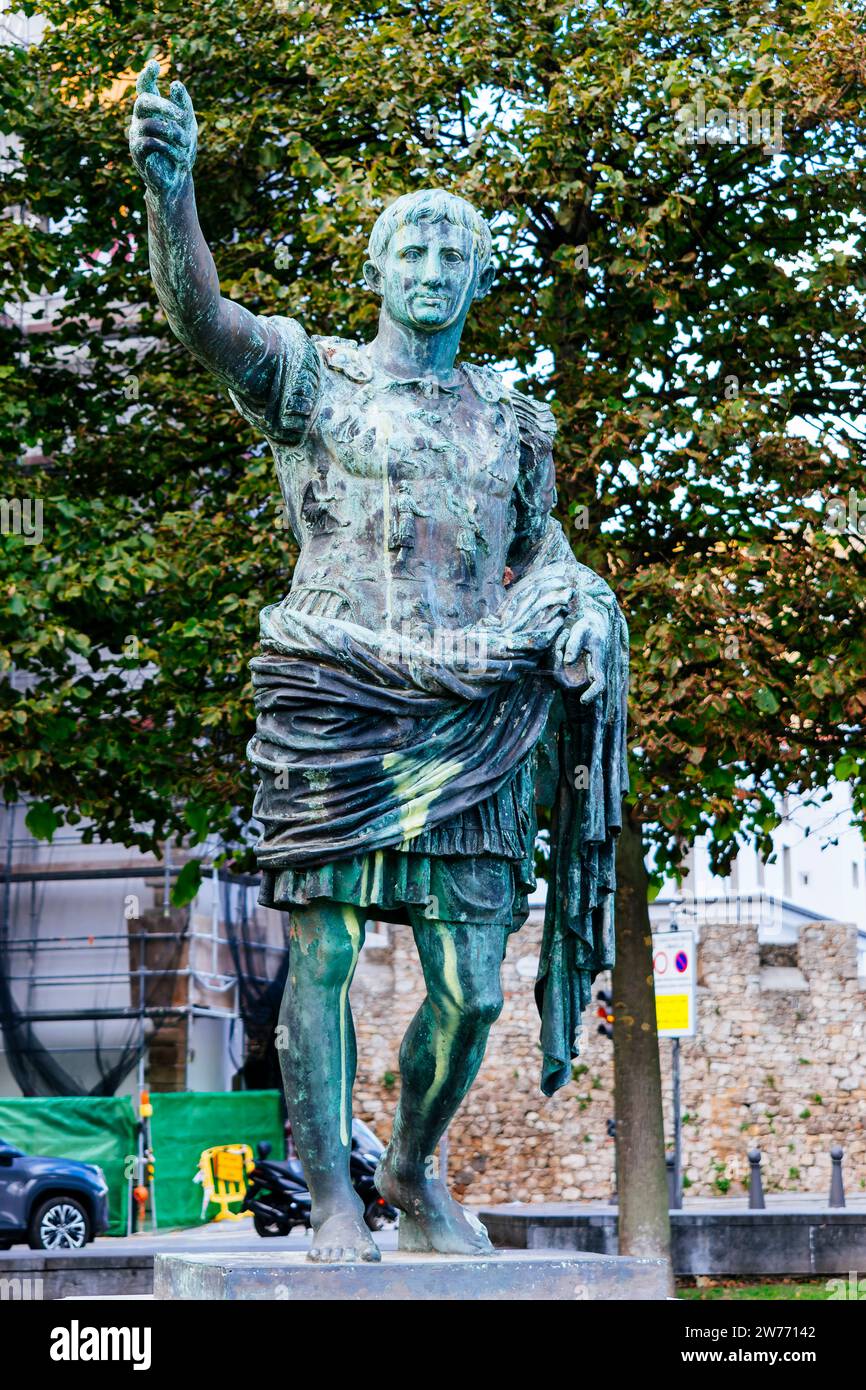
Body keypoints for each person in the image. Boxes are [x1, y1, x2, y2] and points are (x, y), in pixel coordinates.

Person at [129, 61, 628, 1264]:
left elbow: (543, 551)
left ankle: (408, 1167)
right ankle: (334, 1200)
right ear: (376, 270)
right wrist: (171, 191)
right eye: (411, 252)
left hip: (471, 714)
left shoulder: (512, 421)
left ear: (477, 279)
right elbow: (203, 318)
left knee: (473, 988)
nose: (431, 272)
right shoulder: (316, 380)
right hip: (337, 695)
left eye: (453, 256)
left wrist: (579, 608)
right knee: (328, 944)